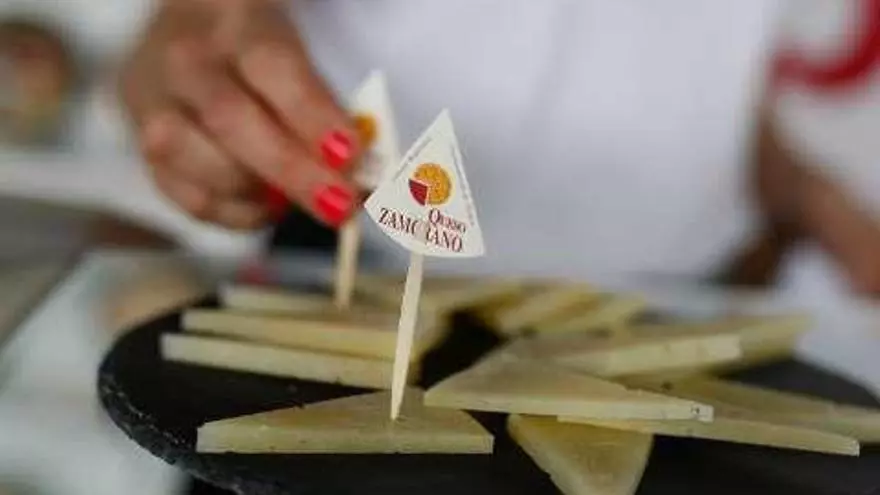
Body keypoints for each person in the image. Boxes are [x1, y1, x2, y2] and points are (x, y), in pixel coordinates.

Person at [117, 0, 880, 294]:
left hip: (683, 295)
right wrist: (194, 63)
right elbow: (193, 28)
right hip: (353, 263)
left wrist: (807, 194)